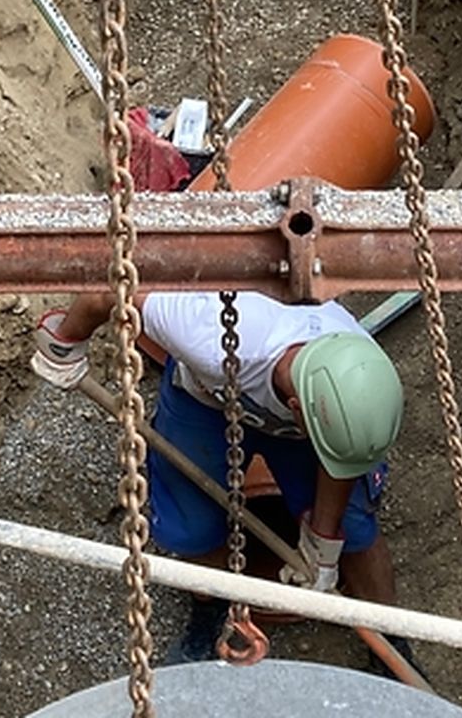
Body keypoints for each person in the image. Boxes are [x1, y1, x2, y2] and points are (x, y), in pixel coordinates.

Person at [32, 287, 416, 670]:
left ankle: (390, 642)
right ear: (297, 409)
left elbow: (341, 461)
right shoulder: (205, 334)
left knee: (354, 529)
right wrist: (66, 341)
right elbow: (108, 291)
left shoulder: (359, 377)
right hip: (205, 402)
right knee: (191, 527)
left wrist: (324, 541)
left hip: (299, 428)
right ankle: (215, 606)